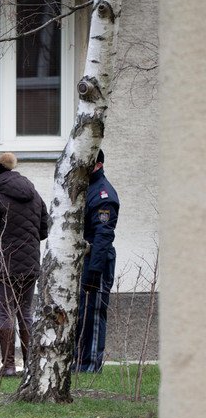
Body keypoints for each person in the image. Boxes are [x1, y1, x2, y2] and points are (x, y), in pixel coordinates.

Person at [0, 152, 49, 376]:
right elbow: (44, 230)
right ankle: (30, 366)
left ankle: (8, 366)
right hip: (30, 264)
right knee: (26, 313)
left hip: (5, 264)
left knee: (5, 314)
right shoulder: (34, 194)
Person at [74, 149, 119, 372]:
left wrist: (94, 270)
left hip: (96, 261)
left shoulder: (104, 195)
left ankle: (89, 365)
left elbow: (103, 235)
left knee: (93, 313)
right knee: (81, 313)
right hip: (84, 260)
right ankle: (78, 362)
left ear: (98, 165)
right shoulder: (87, 188)